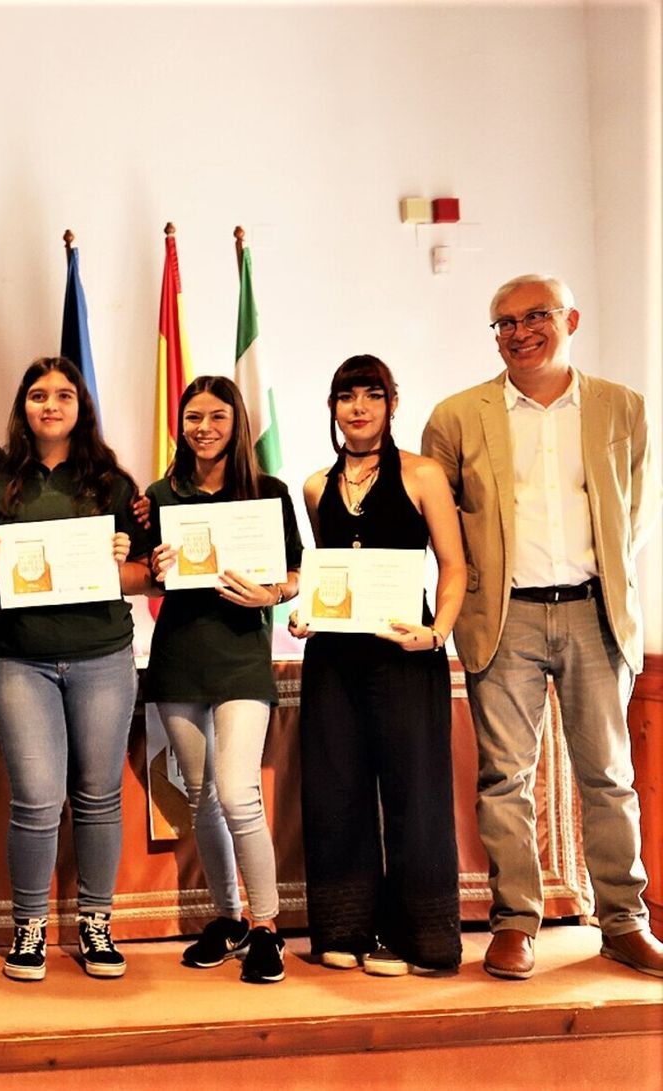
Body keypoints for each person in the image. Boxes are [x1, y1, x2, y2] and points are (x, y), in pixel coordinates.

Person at [422, 274, 662, 980]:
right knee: (505, 778)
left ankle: (624, 922)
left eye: (535, 317)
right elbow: (440, 523)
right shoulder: (457, 416)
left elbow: (633, 513)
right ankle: (515, 922)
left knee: (609, 776)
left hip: (595, 612)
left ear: (571, 320)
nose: (519, 332)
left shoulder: (623, 407)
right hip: (504, 617)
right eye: (504, 323)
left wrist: (604, 579)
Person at [0, 356, 153, 983]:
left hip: (102, 654)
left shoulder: (114, 484)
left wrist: (122, 558)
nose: (49, 405)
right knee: (35, 799)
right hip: (23, 659)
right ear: (22, 406)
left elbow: (148, 575)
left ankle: (96, 924)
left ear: (81, 407)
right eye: (37, 395)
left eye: (62, 395)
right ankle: (29, 928)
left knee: (99, 797)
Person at [291, 356, 464, 975]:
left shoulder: (423, 474)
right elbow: (330, 572)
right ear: (333, 407)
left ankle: (421, 940)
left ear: (392, 404)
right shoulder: (315, 486)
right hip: (334, 658)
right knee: (336, 789)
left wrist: (437, 633)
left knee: (415, 793)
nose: (359, 407)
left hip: (406, 655)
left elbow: (454, 565)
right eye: (347, 396)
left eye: (372, 395)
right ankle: (345, 928)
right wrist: (308, 613)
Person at [145, 375, 301, 985]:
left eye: (216, 417)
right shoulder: (160, 494)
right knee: (201, 795)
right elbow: (146, 574)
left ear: (236, 423)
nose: (203, 428)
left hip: (240, 658)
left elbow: (296, 572)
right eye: (193, 417)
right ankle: (230, 918)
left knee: (238, 793)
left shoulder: (269, 492)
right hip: (178, 657)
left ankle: (267, 926)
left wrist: (273, 594)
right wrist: (154, 566)